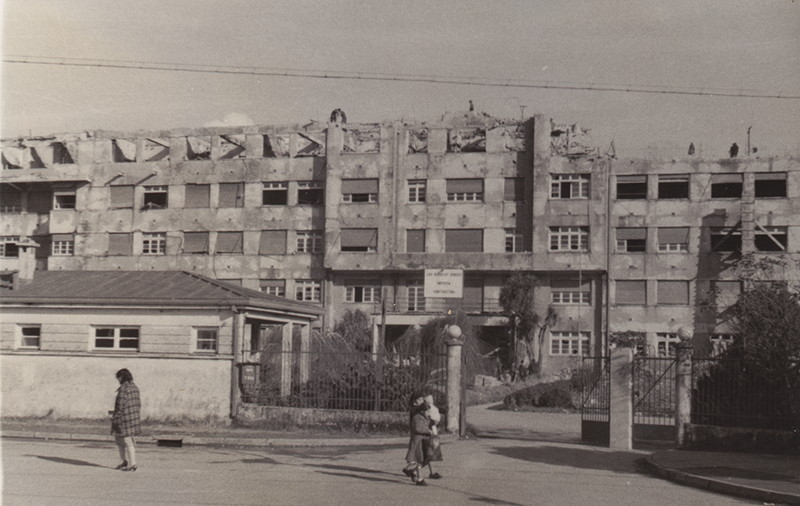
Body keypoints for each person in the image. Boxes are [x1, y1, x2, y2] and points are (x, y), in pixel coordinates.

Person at [111, 368, 141, 472]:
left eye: (118, 377)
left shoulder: (123, 388)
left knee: (127, 441)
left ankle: (132, 463)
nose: (117, 380)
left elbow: (121, 405)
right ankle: (124, 461)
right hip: (133, 418)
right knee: (120, 440)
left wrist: (115, 417)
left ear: (121, 377)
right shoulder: (135, 387)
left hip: (124, 419)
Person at [402, 393, 431, 486]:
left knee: (422, 460)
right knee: (419, 460)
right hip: (418, 440)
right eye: (420, 399)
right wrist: (428, 431)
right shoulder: (416, 416)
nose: (429, 414)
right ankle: (419, 478)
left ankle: (412, 472)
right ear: (422, 411)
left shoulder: (424, 417)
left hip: (423, 440)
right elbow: (417, 428)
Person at [423, 394, 443, 479]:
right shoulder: (433, 409)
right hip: (430, 432)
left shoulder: (426, 408)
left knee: (427, 454)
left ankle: (431, 472)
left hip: (429, 431)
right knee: (427, 454)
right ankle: (412, 469)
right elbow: (436, 420)